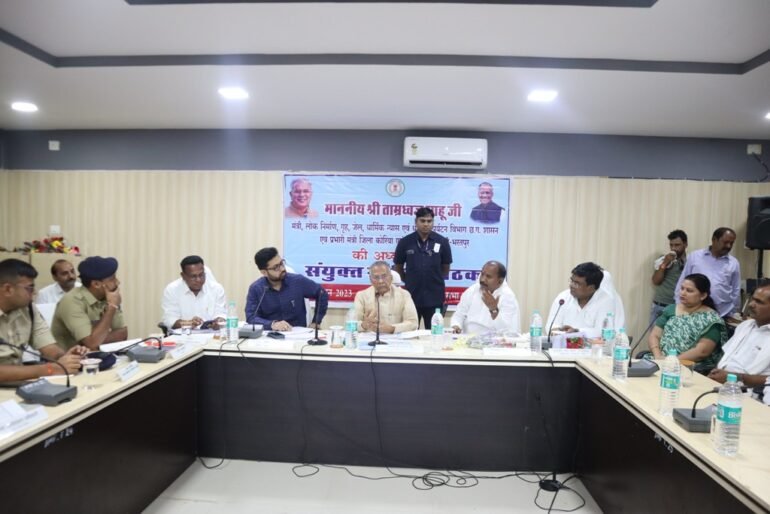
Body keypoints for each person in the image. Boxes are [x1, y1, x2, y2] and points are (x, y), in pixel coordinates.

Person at [0, 259, 87, 383]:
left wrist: (67, 358)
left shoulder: (28, 309)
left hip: (17, 383)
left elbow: (48, 347)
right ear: (8, 289)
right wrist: (50, 369)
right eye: (29, 288)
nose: (35, 292)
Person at [647, 273, 727, 373]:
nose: (683, 293)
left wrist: (671, 361)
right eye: (682, 288)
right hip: (660, 360)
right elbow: (655, 335)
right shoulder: (670, 309)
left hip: (689, 367)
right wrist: (658, 356)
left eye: (689, 291)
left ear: (703, 296)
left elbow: (702, 351)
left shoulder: (711, 319)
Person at [50, 256, 128, 350]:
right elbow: (92, 344)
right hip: (67, 357)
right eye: (112, 279)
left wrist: (97, 338)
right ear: (96, 284)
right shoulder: (71, 301)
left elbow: (123, 334)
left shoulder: (108, 296)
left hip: (98, 355)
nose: (118, 282)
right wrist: (111, 307)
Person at [394, 207, 453, 329]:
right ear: (416, 222)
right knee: (409, 331)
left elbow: (445, 268)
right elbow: (398, 266)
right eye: (422, 221)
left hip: (435, 297)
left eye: (429, 221)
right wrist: (408, 280)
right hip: (411, 295)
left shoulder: (442, 242)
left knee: (434, 333)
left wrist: (434, 278)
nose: (426, 224)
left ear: (433, 222)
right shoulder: (405, 242)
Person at [245, 247, 328, 331]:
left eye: (281, 263)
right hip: (271, 335)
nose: (282, 269)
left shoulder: (297, 281)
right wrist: (272, 324)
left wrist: (316, 322)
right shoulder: (256, 289)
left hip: (298, 334)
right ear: (264, 272)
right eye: (276, 267)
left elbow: (322, 293)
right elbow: (251, 317)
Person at [708, 280, 770, 388]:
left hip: (748, 392)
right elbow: (726, 359)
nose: (751, 304)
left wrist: (736, 378)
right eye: (753, 299)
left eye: (759, 302)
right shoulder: (745, 326)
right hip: (720, 385)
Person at [675, 227, 740, 320]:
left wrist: (733, 311)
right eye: (725, 242)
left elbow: (736, 290)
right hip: (693, 313)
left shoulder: (734, 263)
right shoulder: (695, 257)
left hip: (722, 314)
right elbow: (682, 281)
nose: (729, 246)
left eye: (731, 243)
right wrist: (679, 306)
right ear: (714, 240)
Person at [546, 262, 620, 333]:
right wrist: (559, 330)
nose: (571, 285)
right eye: (571, 281)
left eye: (577, 283)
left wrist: (577, 331)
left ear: (591, 288)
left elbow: (602, 331)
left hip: (592, 342)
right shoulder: (563, 298)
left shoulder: (605, 300)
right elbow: (550, 326)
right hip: (562, 341)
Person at [451, 260, 520, 334]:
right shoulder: (472, 290)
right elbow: (459, 314)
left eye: (488, 276)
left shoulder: (507, 297)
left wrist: (494, 309)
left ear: (500, 281)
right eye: (482, 274)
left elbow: (507, 331)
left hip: (493, 340)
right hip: (467, 338)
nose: (483, 279)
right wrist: (456, 326)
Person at [161, 255, 227, 330]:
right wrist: (189, 323)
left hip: (211, 334)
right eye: (193, 276)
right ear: (183, 276)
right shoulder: (172, 290)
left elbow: (221, 313)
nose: (198, 280)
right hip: (183, 335)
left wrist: (219, 321)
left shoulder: (216, 289)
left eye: (201, 275)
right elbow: (170, 320)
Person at [354, 261, 418, 334]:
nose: (380, 281)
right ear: (370, 279)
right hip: (369, 339)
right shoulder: (361, 296)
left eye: (384, 276)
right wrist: (364, 325)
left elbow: (413, 323)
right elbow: (351, 324)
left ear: (391, 277)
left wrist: (392, 328)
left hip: (395, 339)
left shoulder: (404, 295)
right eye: (376, 277)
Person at [650, 229, 688, 323]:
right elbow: (656, 281)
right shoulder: (663, 259)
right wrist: (664, 264)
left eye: (677, 245)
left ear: (685, 244)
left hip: (679, 307)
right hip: (660, 305)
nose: (673, 248)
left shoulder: (690, 262)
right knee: (655, 332)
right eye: (671, 245)